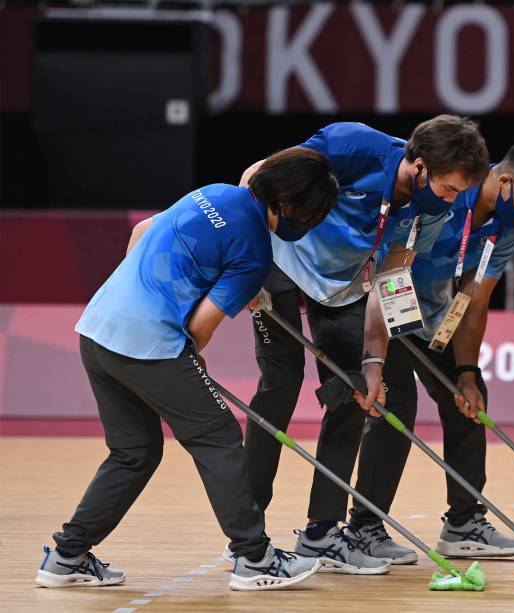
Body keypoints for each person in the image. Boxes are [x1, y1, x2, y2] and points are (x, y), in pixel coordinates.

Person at [35, 148, 339, 591]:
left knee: (134, 452)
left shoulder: (212, 192)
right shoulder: (255, 251)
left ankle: (67, 555)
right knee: (218, 439)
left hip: (97, 328)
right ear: (295, 207)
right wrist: (184, 355)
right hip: (148, 344)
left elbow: (142, 232)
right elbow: (199, 328)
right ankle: (254, 559)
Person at [239, 116, 490, 573]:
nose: (454, 201)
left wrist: (375, 360)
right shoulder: (353, 146)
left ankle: (321, 534)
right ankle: (245, 531)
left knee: (356, 392)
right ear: (418, 166)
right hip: (278, 259)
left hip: (343, 289)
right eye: (450, 189)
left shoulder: (430, 211)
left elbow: (392, 282)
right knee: (281, 383)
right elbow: (259, 177)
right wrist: (245, 261)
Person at [353, 141, 514, 559]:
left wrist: (466, 370)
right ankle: (364, 529)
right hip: (383, 304)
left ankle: (464, 524)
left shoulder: (508, 230)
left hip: (431, 317)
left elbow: (474, 300)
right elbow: (391, 269)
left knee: (469, 399)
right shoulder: (448, 193)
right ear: (504, 182)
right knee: (397, 406)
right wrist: (386, 340)